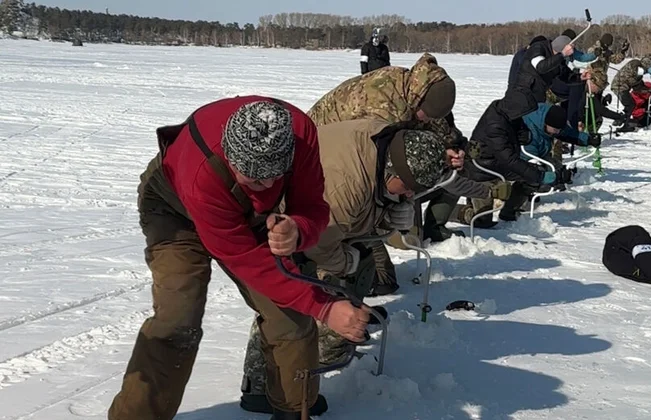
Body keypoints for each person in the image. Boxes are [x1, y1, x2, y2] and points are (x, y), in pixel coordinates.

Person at [107, 96, 372, 420]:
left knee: (289, 316)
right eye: (256, 180)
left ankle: (294, 411)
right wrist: (324, 306)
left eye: (276, 177)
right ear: (232, 159)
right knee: (178, 320)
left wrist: (297, 229)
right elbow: (246, 259)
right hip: (174, 211)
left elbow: (313, 208)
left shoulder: (298, 134)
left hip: (242, 214)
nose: (268, 187)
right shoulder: (201, 173)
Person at [240, 119, 450, 414]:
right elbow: (320, 244)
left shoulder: (389, 150)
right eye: (407, 189)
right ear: (393, 170)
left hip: (319, 223)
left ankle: (288, 374)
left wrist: (390, 216)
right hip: (285, 228)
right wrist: (345, 262)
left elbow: (368, 209)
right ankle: (270, 387)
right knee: (293, 304)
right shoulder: (345, 184)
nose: (409, 197)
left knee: (355, 272)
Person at [308, 52, 508, 246]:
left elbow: (441, 129)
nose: (426, 120)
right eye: (425, 115)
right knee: (397, 233)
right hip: (323, 157)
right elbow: (380, 164)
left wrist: (453, 149)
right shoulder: (384, 107)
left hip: (364, 156)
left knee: (440, 171)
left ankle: (441, 219)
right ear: (419, 100)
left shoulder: (417, 88)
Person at [457, 96, 566, 225]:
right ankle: (457, 211)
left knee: (530, 177)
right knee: (481, 221)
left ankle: (509, 211)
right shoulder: (495, 124)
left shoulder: (514, 119)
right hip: (482, 169)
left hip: (500, 165)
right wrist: (541, 175)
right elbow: (510, 160)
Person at [610, 57, 651, 129]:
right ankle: (620, 120)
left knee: (631, 104)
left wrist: (647, 90)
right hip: (619, 86)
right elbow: (634, 82)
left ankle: (622, 119)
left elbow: (638, 86)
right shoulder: (636, 65)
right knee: (630, 105)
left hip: (622, 87)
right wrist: (644, 88)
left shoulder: (638, 69)